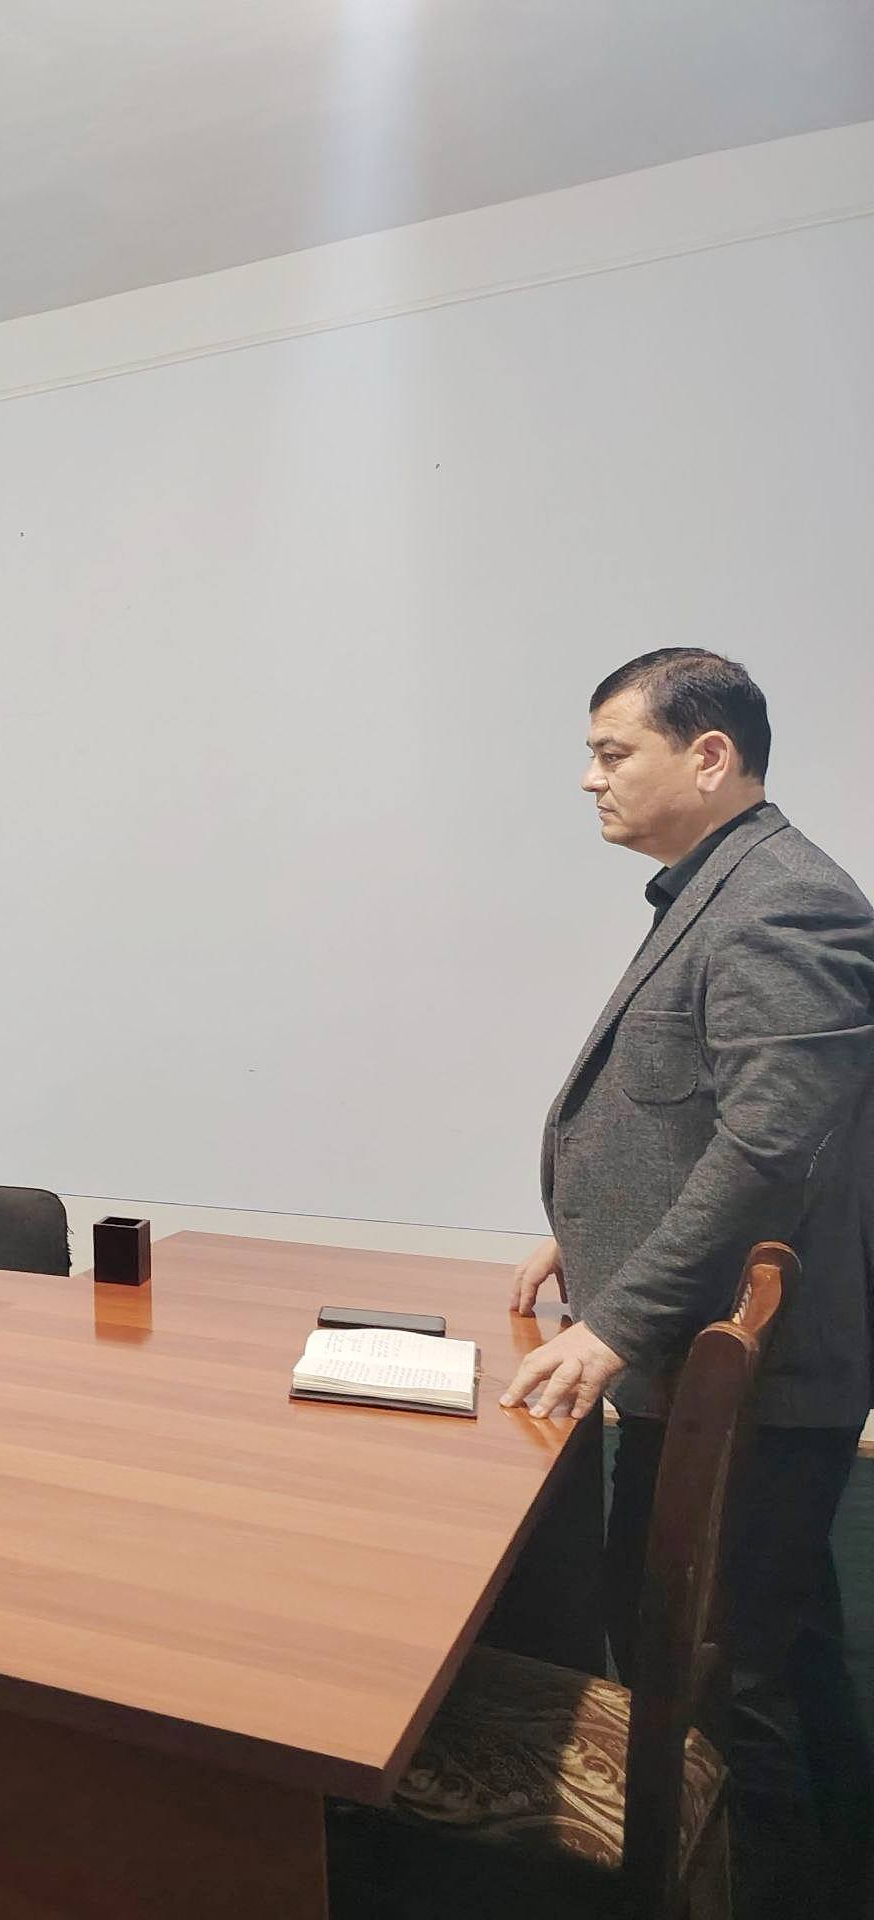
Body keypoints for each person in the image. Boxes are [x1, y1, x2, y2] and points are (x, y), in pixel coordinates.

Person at [503, 649, 874, 1917]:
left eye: (613, 753)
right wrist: (590, 1234)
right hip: (725, 1356)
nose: (589, 778)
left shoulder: (782, 902)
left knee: (723, 1677)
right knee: (783, 1642)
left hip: (748, 1377)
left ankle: (766, 1885)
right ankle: (832, 1857)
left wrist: (616, 1317)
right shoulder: (728, 884)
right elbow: (694, 1114)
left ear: (707, 755)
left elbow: (771, 1147)